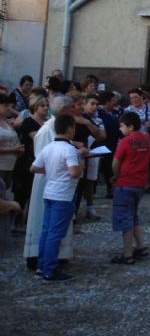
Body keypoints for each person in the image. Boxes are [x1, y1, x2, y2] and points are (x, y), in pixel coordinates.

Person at [29, 114, 87, 281]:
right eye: (74, 127)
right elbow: (74, 173)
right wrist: (81, 158)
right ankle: (50, 270)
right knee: (55, 234)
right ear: (70, 128)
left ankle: (42, 266)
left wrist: (50, 171)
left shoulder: (49, 147)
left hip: (49, 193)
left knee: (46, 231)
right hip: (64, 195)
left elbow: (33, 168)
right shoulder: (69, 149)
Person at [110, 111, 150, 265]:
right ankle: (141, 246)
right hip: (140, 182)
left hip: (125, 182)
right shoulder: (146, 139)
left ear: (130, 126)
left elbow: (115, 163)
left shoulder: (125, 142)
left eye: (122, 126)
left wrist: (115, 176)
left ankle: (127, 253)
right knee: (133, 215)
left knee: (124, 218)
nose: (120, 129)